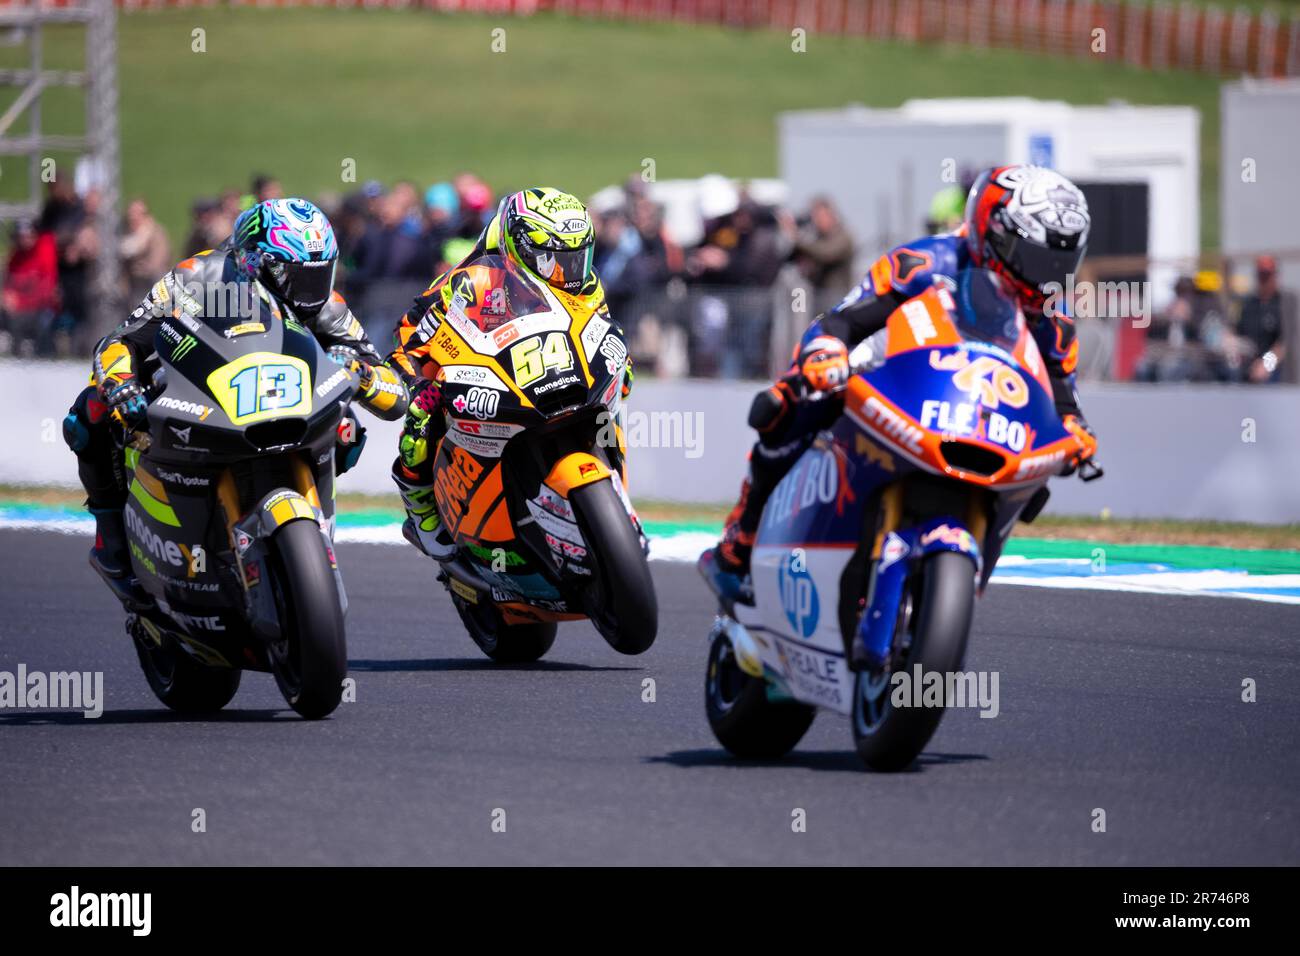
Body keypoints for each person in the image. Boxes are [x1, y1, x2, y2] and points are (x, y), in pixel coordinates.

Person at [699, 164, 1098, 601]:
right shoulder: (923, 263)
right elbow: (842, 320)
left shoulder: (1053, 325)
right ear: (994, 231)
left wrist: (1076, 431)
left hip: (979, 415)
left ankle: (957, 569)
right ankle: (739, 544)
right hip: (894, 380)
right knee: (786, 406)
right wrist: (825, 353)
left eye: (1059, 263)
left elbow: (1063, 398)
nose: (1044, 276)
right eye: (1037, 259)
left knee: (1039, 478)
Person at [62, 198, 409, 583]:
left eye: (320, 274)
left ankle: (302, 520)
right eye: (295, 276)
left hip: (287, 408)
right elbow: (119, 341)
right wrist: (120, 384)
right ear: (254, 264)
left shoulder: (327, 306)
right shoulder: (197, 276)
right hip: (199, 398)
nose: (310, 292)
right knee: (89, 412)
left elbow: (396, 396)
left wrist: (360, 374)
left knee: (348, 429)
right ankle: (111, 533)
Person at [387, 186, 612, 560]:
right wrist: (417, 384)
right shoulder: (472, 281)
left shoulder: (584, 283)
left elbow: (602, 328)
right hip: (484, 381)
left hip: (554, 373)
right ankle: (422, 509)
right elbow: (409, 336)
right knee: (420, 419)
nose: (570, 273)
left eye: (579, 258)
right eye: (556, 260)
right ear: (521, 251)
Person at [1237, 255, 1293, 384]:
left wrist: (1267, 364)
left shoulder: (1284, 304)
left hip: (1275, 371)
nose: (1264, 280)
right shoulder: (1248, 304)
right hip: (1247, 366)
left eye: (1267, 276)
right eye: (1261, 276)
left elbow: (1285, 342)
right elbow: (1237, 331)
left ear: (1275, 276)